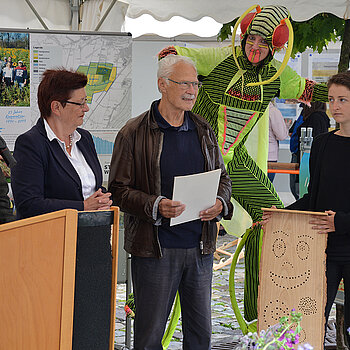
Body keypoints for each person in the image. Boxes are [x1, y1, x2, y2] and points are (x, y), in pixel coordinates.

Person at [158, 4, 328, 323]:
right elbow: (179, 55)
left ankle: (256, 308)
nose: (254, 48)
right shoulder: (222, 59)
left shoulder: (279, 76)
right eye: (251, 40)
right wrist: (169, 59)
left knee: (272, 217)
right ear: (244, 37)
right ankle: (142, 303)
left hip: (233, 162)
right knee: (179, 227)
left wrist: (340, 94)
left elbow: (313, 90)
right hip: (198, 161)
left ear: (274, 48)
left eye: (263, 44)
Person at [108, 54, 233, 350]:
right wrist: (156, 205)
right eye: (185, 83)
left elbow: (224, 180)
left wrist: (220, 202)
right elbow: (118, 190)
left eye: (195, 84)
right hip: (154, 252)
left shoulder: (203, 130)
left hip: (200, 249)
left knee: (201, 335)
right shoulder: (133, 132)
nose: (192, 90)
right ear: (162, 84)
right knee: (150, 337)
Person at [263, 70, 350, 345]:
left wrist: (342, 222)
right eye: (333, 99)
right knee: (312, 321)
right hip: (321, 250)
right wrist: (278, 216)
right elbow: (314, 198)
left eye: (344, 100)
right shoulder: (323, 144)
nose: (335, 106)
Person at [11, 69, 112, 219]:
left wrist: (102, 198)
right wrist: (83, 207)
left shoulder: (84, 138)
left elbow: (88, 188)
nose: (86, 108)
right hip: (51, 238)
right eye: (80, 103)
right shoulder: (30, 144)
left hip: (92, 236)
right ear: (56, 107)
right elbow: (29, 204)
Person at [289, 102, 330, 199]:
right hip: (304, 157)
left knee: (298, 189)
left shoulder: (314, 118)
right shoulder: (319, 117)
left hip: (304, 158)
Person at [268, 101, 288, 182]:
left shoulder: (250, 109)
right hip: (269, 156)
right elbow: (282, 135)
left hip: (251, 155)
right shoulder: (273, 112)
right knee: (266, 187)